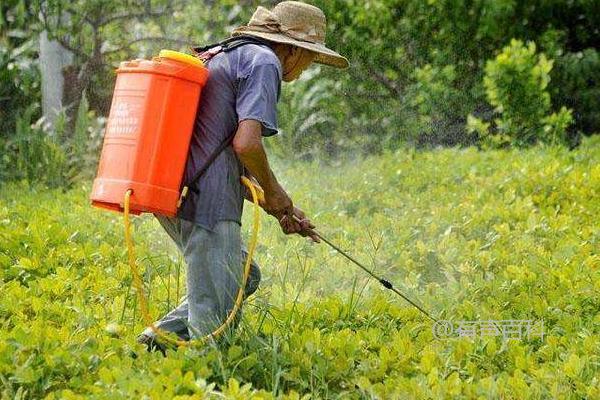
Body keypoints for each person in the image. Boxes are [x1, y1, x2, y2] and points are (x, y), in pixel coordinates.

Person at [137, 1, 348, 354]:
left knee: (243, 274)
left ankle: (157, 340)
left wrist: (278, 205)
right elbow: (246, 144)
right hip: (206, 199)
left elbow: (220, 151)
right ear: (294, 50)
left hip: (174, 186)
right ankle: (204, 379)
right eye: (311, 56)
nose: (309, 66)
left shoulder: (229, 55)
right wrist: (275, 190)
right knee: (213, 324)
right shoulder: (266, 62)